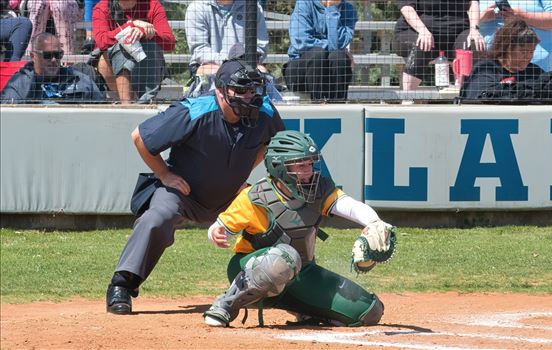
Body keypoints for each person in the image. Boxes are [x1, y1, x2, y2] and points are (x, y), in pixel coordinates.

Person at [105, 59, 285, 315]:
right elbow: (140, 137)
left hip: (230, 196)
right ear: (220, 90)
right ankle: (121, 285)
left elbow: (272, 144)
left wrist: (242, 175)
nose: (248, 96)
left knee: (276, 213)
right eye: (240, 90)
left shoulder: (264, 110)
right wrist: (164, 174)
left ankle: (283, 288)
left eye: (252, 89)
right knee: (158, 217)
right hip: (184, 193)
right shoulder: (195, 110)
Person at [203, 130, 394, 328]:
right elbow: (219, 228)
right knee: (285, 257)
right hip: (247, 270)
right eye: (301, 165)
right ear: (279, 167)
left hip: (301, 272)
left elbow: (350, 206)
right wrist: (216, 233)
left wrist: (374, 222)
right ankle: (226, 304)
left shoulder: (319, 189)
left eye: (310, 164)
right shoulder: (255, 197)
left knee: (368, 311)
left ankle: (305, 309)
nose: (308, 170)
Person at [460, 18, 552, 102]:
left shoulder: (534, 71)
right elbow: (480, 96)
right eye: (523, 51)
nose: (528, 56)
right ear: (507, 48)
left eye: (531, 51)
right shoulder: (485, 69)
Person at [92, 0, 175, 104]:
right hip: (110, 67)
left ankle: (144, 101)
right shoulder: (102, 7)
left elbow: (170, 42)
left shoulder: (153, 5)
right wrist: (131, 25)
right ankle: (127, 105)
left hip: (145, 63)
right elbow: (102, 42)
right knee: (121, 47)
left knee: (150, 45)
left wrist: (145, 32)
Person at [394, 0, 486, 93]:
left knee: (473, 45)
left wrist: (474, 29)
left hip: (457, 32)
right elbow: (407, 8)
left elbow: (473, 3)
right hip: (416, 30)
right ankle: (407, 97)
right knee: (421, 44)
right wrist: (423, 31)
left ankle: (466, 95)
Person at [284, 0, 357, 101]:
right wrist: (330, 47)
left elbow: (339, 44)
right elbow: (302, 42)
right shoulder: (304, 3)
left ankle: (339, 105)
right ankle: (318, 105)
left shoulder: (348, 9)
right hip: (300, 71)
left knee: (339, 57)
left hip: (329, 69)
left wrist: (332, 10)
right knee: (318, 54)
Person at [1, 32, 104, 103]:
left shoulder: (80, 80)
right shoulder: (19, 85)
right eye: (48, 55)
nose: (54, 60)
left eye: (58, 55)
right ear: (33, 56)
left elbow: (101, 112)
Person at [477, 0, 552, 72]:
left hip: (534, 72)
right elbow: (469, 23)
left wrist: (523, 16)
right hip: (488, 68)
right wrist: (480, 19)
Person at [185, 0, 269, 78]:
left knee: (262, 71)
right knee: (214, 71)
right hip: (209, 65)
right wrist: (229, 63)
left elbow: (261, 46)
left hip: (245, 64)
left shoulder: (254, 7)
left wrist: (241, 62)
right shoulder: (197, 7)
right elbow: (200, 51)